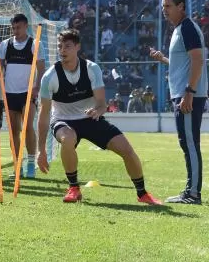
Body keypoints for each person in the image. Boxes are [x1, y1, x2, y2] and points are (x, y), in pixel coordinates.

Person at [37, 29, 161, 205]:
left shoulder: (91, 69)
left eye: (67, 46)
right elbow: (43, 115)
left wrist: (97, 111)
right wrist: (41, 150)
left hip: (90, 119)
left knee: (126, 149)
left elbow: (102, 104)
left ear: (77, 47)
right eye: (60, 47)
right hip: (63, 121)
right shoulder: (50, 76)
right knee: (68, 138)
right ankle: (74, 188)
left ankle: (142, 194)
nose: (62, 50)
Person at [151, 0, 207, 204]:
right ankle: (191, 191)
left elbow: (198, 60)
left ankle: (193, 193)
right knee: (187, 142)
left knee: (190, 143)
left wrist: (189, 93)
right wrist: (164, 59)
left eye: (168, 6)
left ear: (181, 6)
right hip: (183, 94)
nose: (164, 10)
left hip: (188, 95)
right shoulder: (179, 29)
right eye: (163, 6)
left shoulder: (187, 28)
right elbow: (184, 62)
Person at [0, 13, 45, 177]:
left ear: (26, 26)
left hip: (27, 93)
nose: (16, 31)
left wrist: (37, 87)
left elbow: (41, 69)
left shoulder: (35, 44)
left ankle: (31, 163)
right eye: (13, 28)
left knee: (28, 128)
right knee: (13, 130)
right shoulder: (5, 44)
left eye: (18, 27)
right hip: (9, 93)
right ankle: (18, 165)